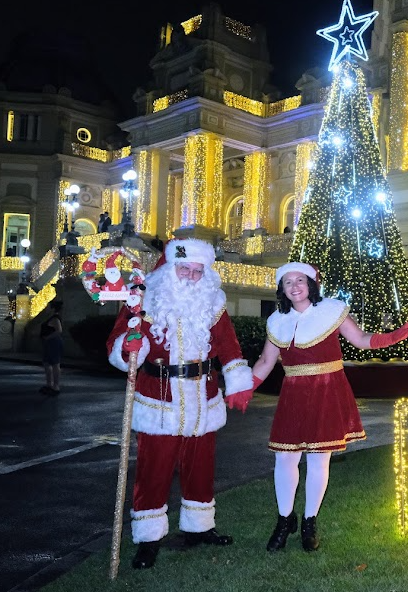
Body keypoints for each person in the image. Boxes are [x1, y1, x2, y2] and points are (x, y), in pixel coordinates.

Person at [248, 262, 408, 553]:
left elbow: (362, 340)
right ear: (282, 289)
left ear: (312, 282)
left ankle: (309, 521)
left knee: (318, 459)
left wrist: (393, 337)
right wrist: (244, 387)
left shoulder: (333, 310)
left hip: (327, 390)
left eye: (299, 279)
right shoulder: (277, 320)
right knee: (285, 458)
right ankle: (284, 519)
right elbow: (266, 361)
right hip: (293, 393)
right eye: (288, 282)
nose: (294, 286)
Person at [106, 237, 254, 570]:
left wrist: (238, 381)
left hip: (203, 396)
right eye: (183, 268)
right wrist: (128, 348)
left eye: (196, 271)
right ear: (171, 268)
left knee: (201, 467)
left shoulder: (213, 303)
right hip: (159, 398)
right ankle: (148, 538)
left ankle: (200, 528)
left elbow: (228, 345)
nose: (189, 276)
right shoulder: (142, 301)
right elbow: (117, 342)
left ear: (206, 273)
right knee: (153, 470)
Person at [39, 300, 64, 396]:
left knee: (55, 364)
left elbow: (59, 330)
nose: (46, 308)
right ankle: (49, 384)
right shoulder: (50, 318)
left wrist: (47, 338)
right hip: (49, 343)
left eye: (48, 307)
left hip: (53, 342)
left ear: (53, 308)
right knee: (47, 363)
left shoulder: (55, 318)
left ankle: (56, 386)